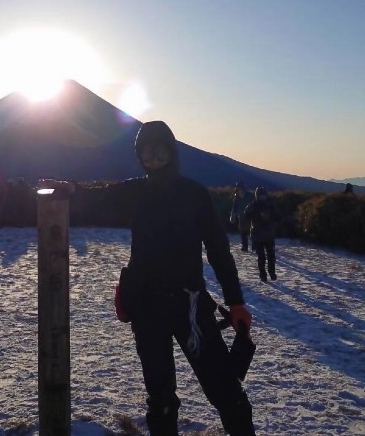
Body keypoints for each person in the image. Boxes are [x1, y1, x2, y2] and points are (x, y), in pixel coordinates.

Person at [43, 120, 256, 435]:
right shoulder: (136, 190)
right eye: (146, 152)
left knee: (225, 389)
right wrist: (70, 189)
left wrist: (235, 302)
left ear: (172, 152)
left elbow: (219, 251)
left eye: (160, 151)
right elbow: (100, 196)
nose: (153, 157)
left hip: (191, 306)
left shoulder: (194, 194)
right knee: (160, 398)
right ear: (139, 155)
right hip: (146, 307)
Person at [244, 187, 277, 283]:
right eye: (260, 195)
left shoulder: (270, 205)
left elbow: (276, 216)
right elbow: (247, 216)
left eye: (263, 195)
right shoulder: (253, 205)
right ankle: (263, 275)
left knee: (271, 256)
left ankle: (272, 273)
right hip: (257, 235)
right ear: (257, 196)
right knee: (261, 257)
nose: (262, 197)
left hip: (268, 234)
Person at [229, 182, 254, 251]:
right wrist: (233, 215)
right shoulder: (236, 197)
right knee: (243, 232)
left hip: (250, 216)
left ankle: (254, 246)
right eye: (238, 188)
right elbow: (234, 207)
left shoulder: (250, 195)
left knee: (252, 231)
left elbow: (254, 204)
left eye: (240, 188)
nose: (239, 189)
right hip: (241, 216)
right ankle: (244, 246)